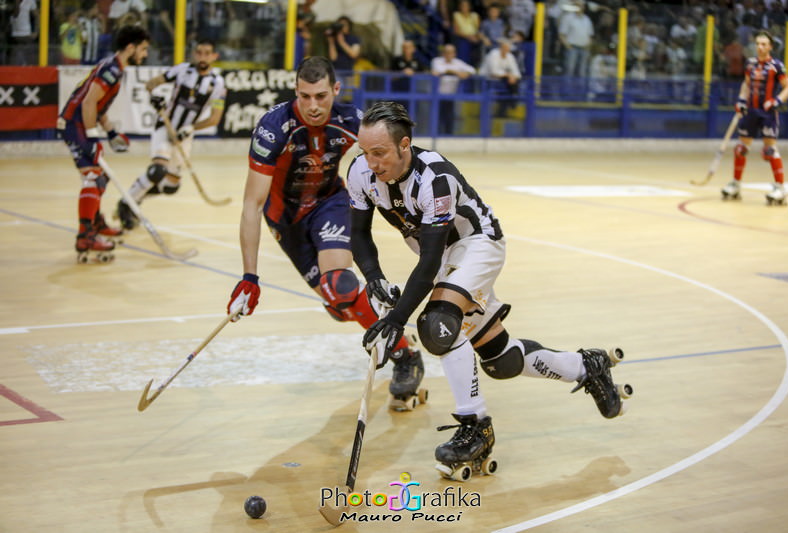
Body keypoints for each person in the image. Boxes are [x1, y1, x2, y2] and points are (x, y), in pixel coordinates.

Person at [348, 101, 629, 473]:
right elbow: (359, 234)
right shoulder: (360, 173)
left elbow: (430, 260)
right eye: (365, 152)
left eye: (379, 152)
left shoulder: (435, 178)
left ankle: (475, 427)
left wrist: (397, 319)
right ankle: (585, 366)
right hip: (445, 256)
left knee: (437, 325)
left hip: (477, 244)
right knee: (501, 359)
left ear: (405, 145)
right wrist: (375, 278)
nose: (371, 163)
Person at [225, 57, 425, 410]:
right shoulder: (273, 127)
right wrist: (249, 276)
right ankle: (364, 311)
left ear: (335, 90)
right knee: (343, 305)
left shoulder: (351, 119)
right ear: (295, 93)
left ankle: (405, 355)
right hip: (285, 222)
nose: (313, 106)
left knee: (339, 286)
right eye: (305, 97)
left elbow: (392, 157)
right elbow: (251, 206)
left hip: (330, 203)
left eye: (320, 96)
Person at [58, 25, 149, 261]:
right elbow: (88, 104)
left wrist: (110, 133)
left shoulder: (114, 67)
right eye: (143, 49)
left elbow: (97, 108)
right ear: (130, 48)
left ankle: (95, 225)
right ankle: (85, 235)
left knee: (101, 176)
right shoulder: (112, 70)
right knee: (93, 177)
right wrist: (92, 137)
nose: (145, 54)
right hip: (74, 125)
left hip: (79, 124)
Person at [115, 39, 226, 230]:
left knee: (170, 186)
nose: (202, 56)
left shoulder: (218, 84)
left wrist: (190, 128)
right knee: (158, 170)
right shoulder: (182, 70)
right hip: (165, 127)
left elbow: (215, 119)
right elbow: (152, 83)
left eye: (207, 53)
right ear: (194, 53)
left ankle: (137, 198)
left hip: (184, 136)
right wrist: (154, 97)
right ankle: (126, 204)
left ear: (214, 56)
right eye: (199, 52)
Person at [722, 31, 788, 205]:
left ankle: (779, 189)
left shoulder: (777, 66)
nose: (760, 47)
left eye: (763, 44)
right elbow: (746, 84)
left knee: (769, 150)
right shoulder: (750, 64)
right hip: (751, 111)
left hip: (768, 113)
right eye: (758, 44)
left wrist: (777, 100)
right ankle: (736, 185)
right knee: (740, 148)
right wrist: (741, 100)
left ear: (770, 47)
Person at [431, 43, 476, 134]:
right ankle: (436, 135)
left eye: (451, 52)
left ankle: (448, 135)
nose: (449, 54)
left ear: (454, 53)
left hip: (451, 95)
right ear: (443, 53)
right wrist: (455, 72)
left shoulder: (458, 62)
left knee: (449, 117)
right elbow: (439, 70)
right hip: (437, 96)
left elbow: (472, 70)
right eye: (446, 52)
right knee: (437, 117)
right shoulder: (437, 61)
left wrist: (466, 74)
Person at [479, 38, 521, 116]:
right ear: (501, 47)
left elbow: (517, 72)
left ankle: (505, 109)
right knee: (509, 87)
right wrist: (509, 75)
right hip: (487, 79)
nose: (507, 50)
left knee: (512, 84)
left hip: (502, 80)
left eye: (508, 49)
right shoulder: (493, 54)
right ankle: (513, 101)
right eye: (505, 48)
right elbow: (494, 72)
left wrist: (512, 77)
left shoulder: (509, 56)